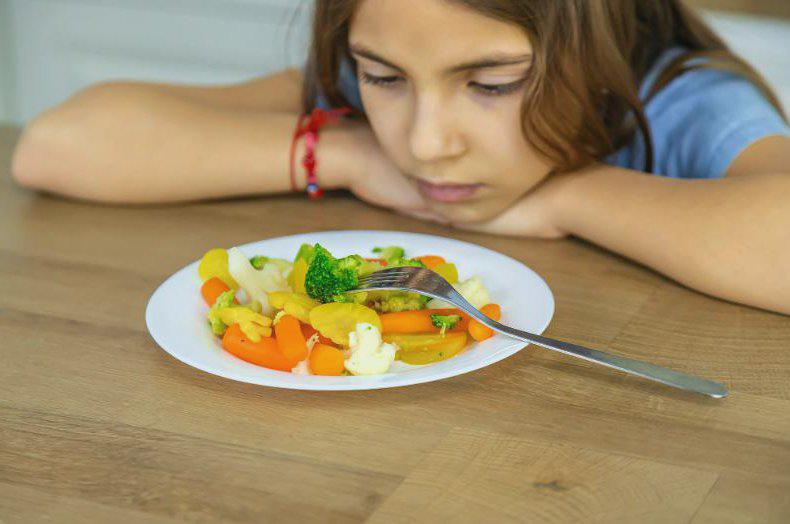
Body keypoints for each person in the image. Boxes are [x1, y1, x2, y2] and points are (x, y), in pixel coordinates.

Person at [10, 0, 790, 314]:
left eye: (489, 83)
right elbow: (56, 148)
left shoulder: (679, 99)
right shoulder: (359, 99)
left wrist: (567, 198)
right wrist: (344, 153)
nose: (422, 142)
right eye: (384, 78)